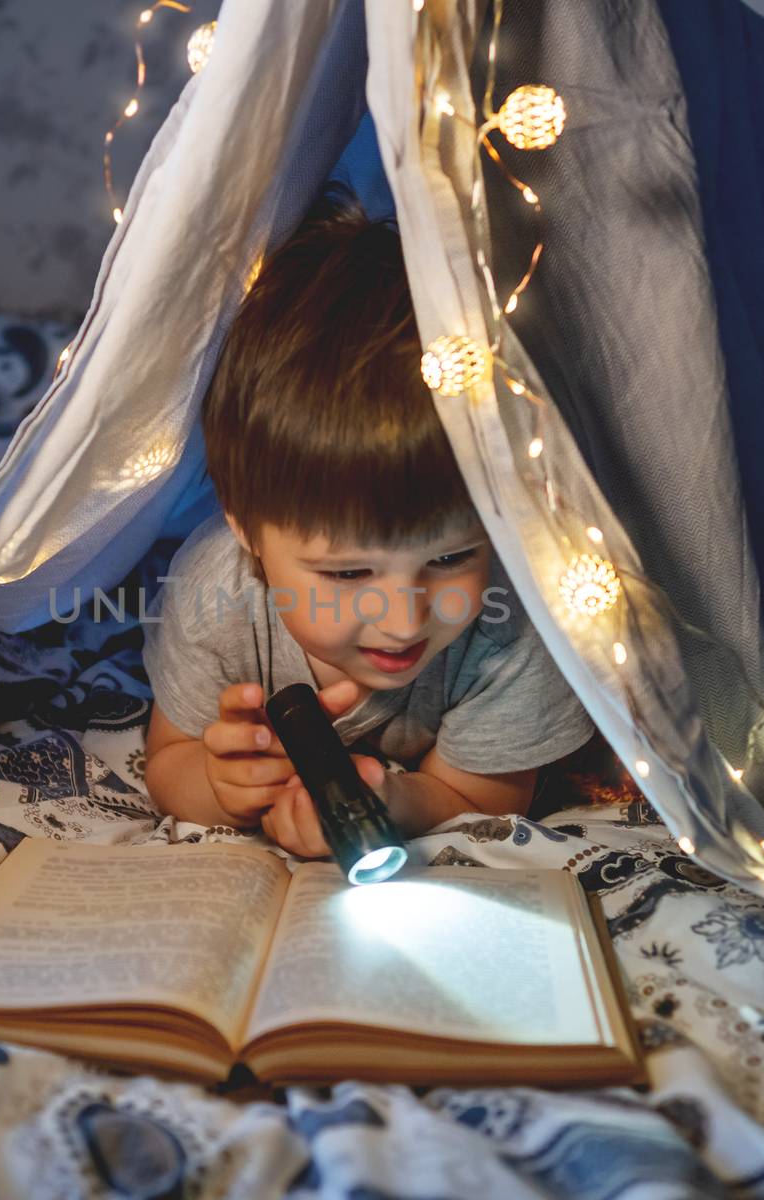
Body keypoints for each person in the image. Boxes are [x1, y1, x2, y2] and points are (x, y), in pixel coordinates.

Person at [141, 187, 594, 860]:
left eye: (450, 558)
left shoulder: (515, 619)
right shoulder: (215, 598)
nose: (405, 619)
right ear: (246, 531)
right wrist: (218, 784)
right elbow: (168, 760)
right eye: (349, 572)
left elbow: (488, 797)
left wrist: (396, 803)